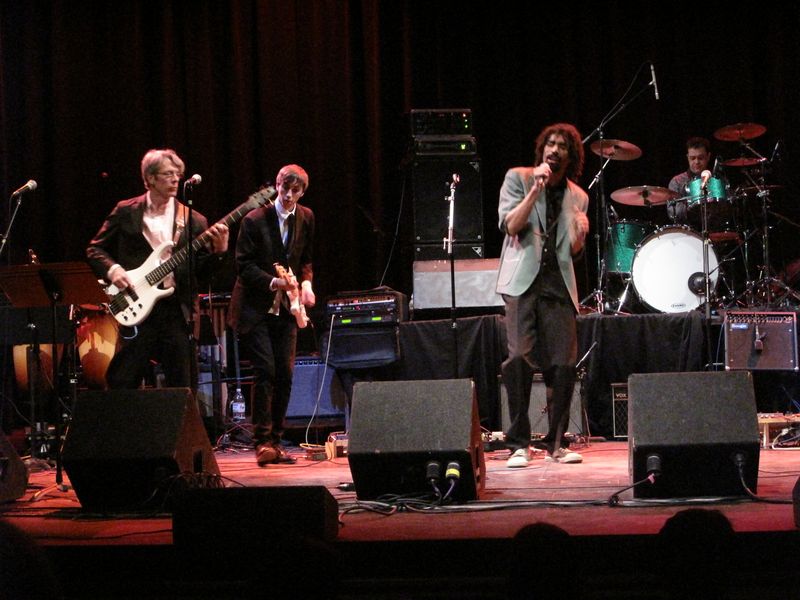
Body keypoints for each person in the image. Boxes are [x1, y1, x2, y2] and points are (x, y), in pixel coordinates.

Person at [86, 148, 229, 389]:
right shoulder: (126, 211)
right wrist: (114, 270)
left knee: (183, 385)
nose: (175, 180)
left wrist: (220, 252)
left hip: (177, 312)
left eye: (177, 174)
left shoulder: (194, 219)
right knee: (122, 380)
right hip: (137, 306)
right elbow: (95, 249)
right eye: (168, 174)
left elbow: (203, 274)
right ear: (150, 178)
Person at [496, 123, 590, 467]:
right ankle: (519, 444)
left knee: (564, 364)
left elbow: (573, 251)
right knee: (519, 358)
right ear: (542, 149)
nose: (554, 149)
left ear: (570, 155)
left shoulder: (578, 196)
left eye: (562, 146)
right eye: (550, 143)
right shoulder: (518, 178)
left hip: (558, 285)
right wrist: (534, 191)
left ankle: (556, 444)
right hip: (523, 282)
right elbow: (510, 225)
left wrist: (580, 235)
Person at [228, 164, 315, 466]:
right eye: (284, 188)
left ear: (302, 192)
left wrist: (306, 284)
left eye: (295, 191)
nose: (288, 195)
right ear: (277, 185)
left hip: (287, 308)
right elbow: (243, 266)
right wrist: (274, 282)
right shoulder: (254, 220)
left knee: (286, 375)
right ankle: (262, 442)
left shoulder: (306, 217)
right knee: (266, 371)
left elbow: (305, 259)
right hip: (255, 308)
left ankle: (276, 441)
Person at [666, 136, 714, 225]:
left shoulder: (716, 181)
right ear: (687, 157)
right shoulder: (677, 181)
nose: (696, 162)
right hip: (687, 230)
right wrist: (692, 206)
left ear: (708, 157)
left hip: (715, 228)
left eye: (701, 158)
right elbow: (672, 213)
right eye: (692, 158)